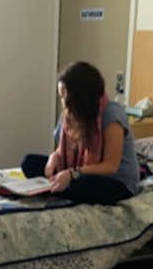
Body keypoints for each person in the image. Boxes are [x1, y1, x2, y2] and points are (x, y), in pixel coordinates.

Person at [21, 61, 140, 205]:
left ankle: (57, 187)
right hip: (77, 169)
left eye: (65, 97)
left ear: (80, 97)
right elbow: (61, 150)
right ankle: (60, 186)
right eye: (61, 97)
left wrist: (72, 174)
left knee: (84, 184)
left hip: (115, 180)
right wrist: (54, 157)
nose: (63, 103)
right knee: (29, 162)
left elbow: (110, 166)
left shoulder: (111, 114)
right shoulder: (69, 114)